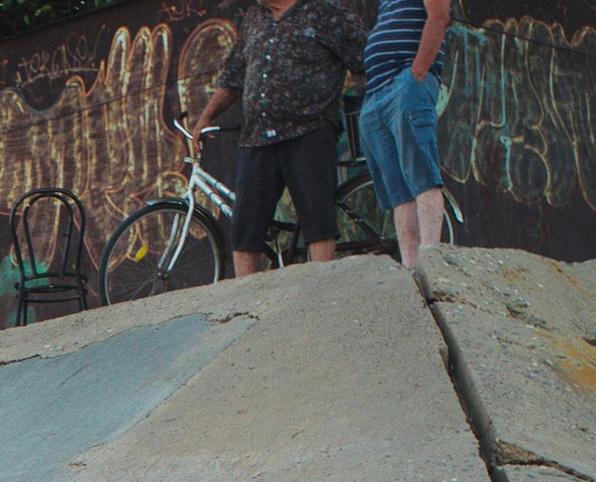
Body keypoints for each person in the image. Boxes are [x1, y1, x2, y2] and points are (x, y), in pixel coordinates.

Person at [187, 0, 363, 276]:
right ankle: (247, 302)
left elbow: (362, 56)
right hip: (257, 138)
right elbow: (234, 75)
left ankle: (323, 294)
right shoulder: (255, 18)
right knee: (245, 231)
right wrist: (207, 116)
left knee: (318, 225)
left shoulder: (325, 9)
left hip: (309, 131)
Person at [359, 0, 453, 264]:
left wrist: (418, 72)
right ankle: (411, 268)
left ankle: (431, 260)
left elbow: (439, 17)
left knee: (422, 176)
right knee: (398, 192)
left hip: (406, 83)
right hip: (378, 91)